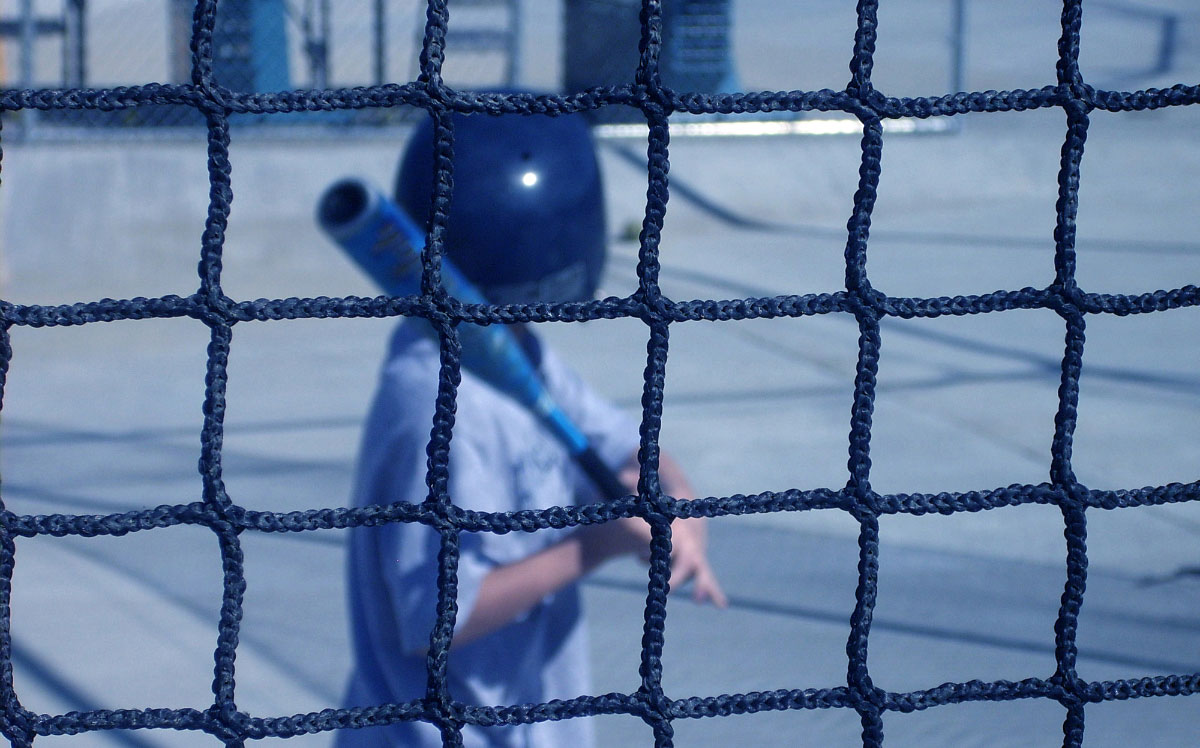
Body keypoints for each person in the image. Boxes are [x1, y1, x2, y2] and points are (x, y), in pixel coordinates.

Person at [336, 108, 725, 748]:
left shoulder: (520, 352)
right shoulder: (430, 403)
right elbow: (438, 615)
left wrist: (669, 500)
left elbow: (623, 443)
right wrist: (596, 543)